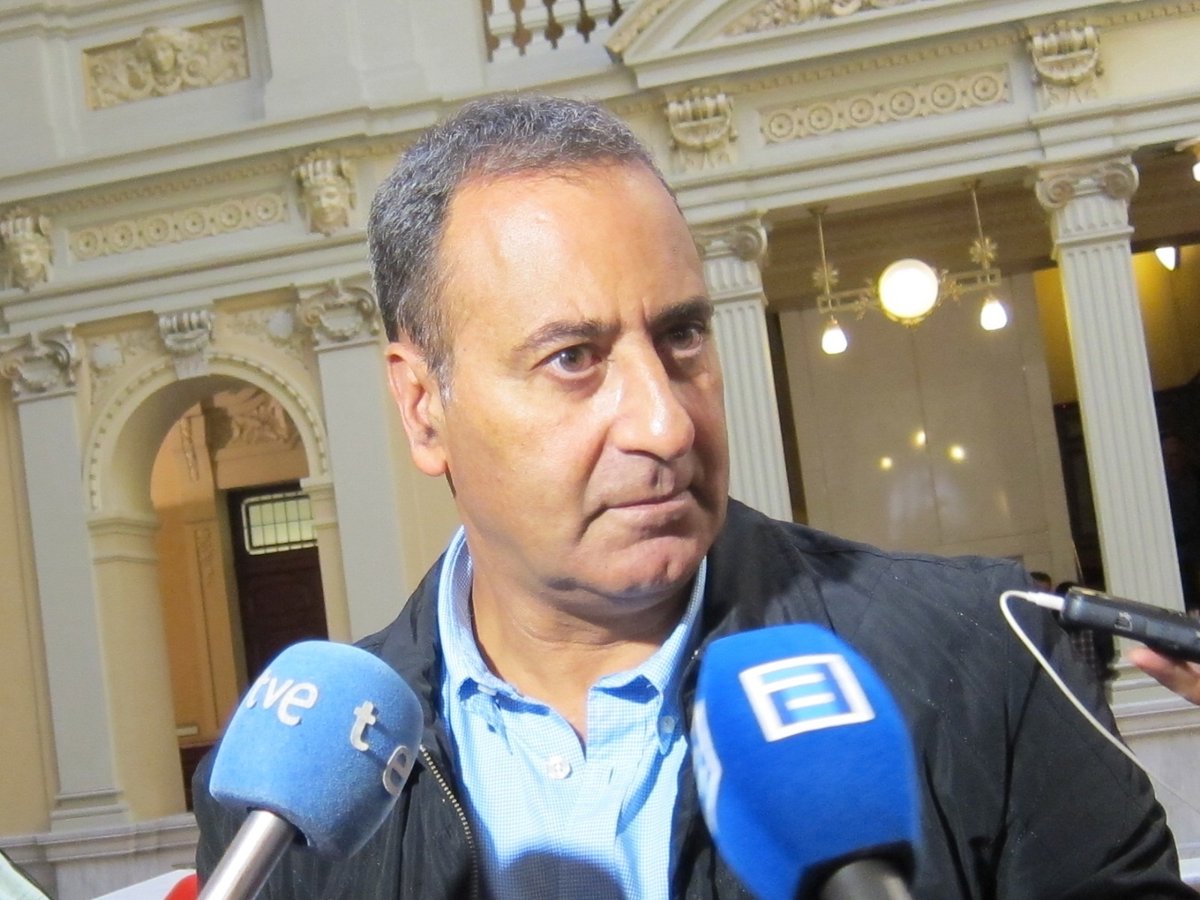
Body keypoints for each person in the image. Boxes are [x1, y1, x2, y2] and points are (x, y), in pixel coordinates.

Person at [192, 94, 1191, 898]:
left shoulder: (987, 667)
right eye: (573, 357)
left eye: (680, 336)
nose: (666, 424)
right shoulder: (281, 805)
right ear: (423, 409)